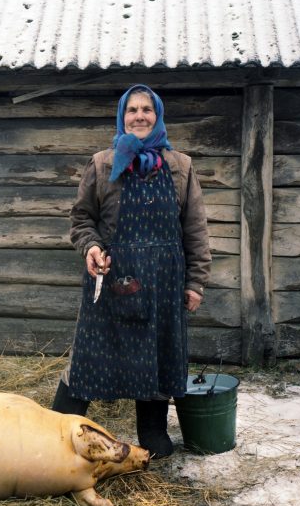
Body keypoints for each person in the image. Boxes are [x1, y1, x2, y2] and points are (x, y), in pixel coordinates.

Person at [51, 84, 211, 458]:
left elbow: (196, 230)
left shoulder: (180, 166)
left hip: (163, 281)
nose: (139, 116)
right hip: (112, 277)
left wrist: (196, 282)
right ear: (122, 117)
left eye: (147, 110)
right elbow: (81, 219)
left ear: (158, 117)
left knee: (156, 353)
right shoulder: (103, 163)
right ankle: (57, 428)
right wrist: (91, 246)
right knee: (92, 353)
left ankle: (152, 431)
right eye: (132, 110)